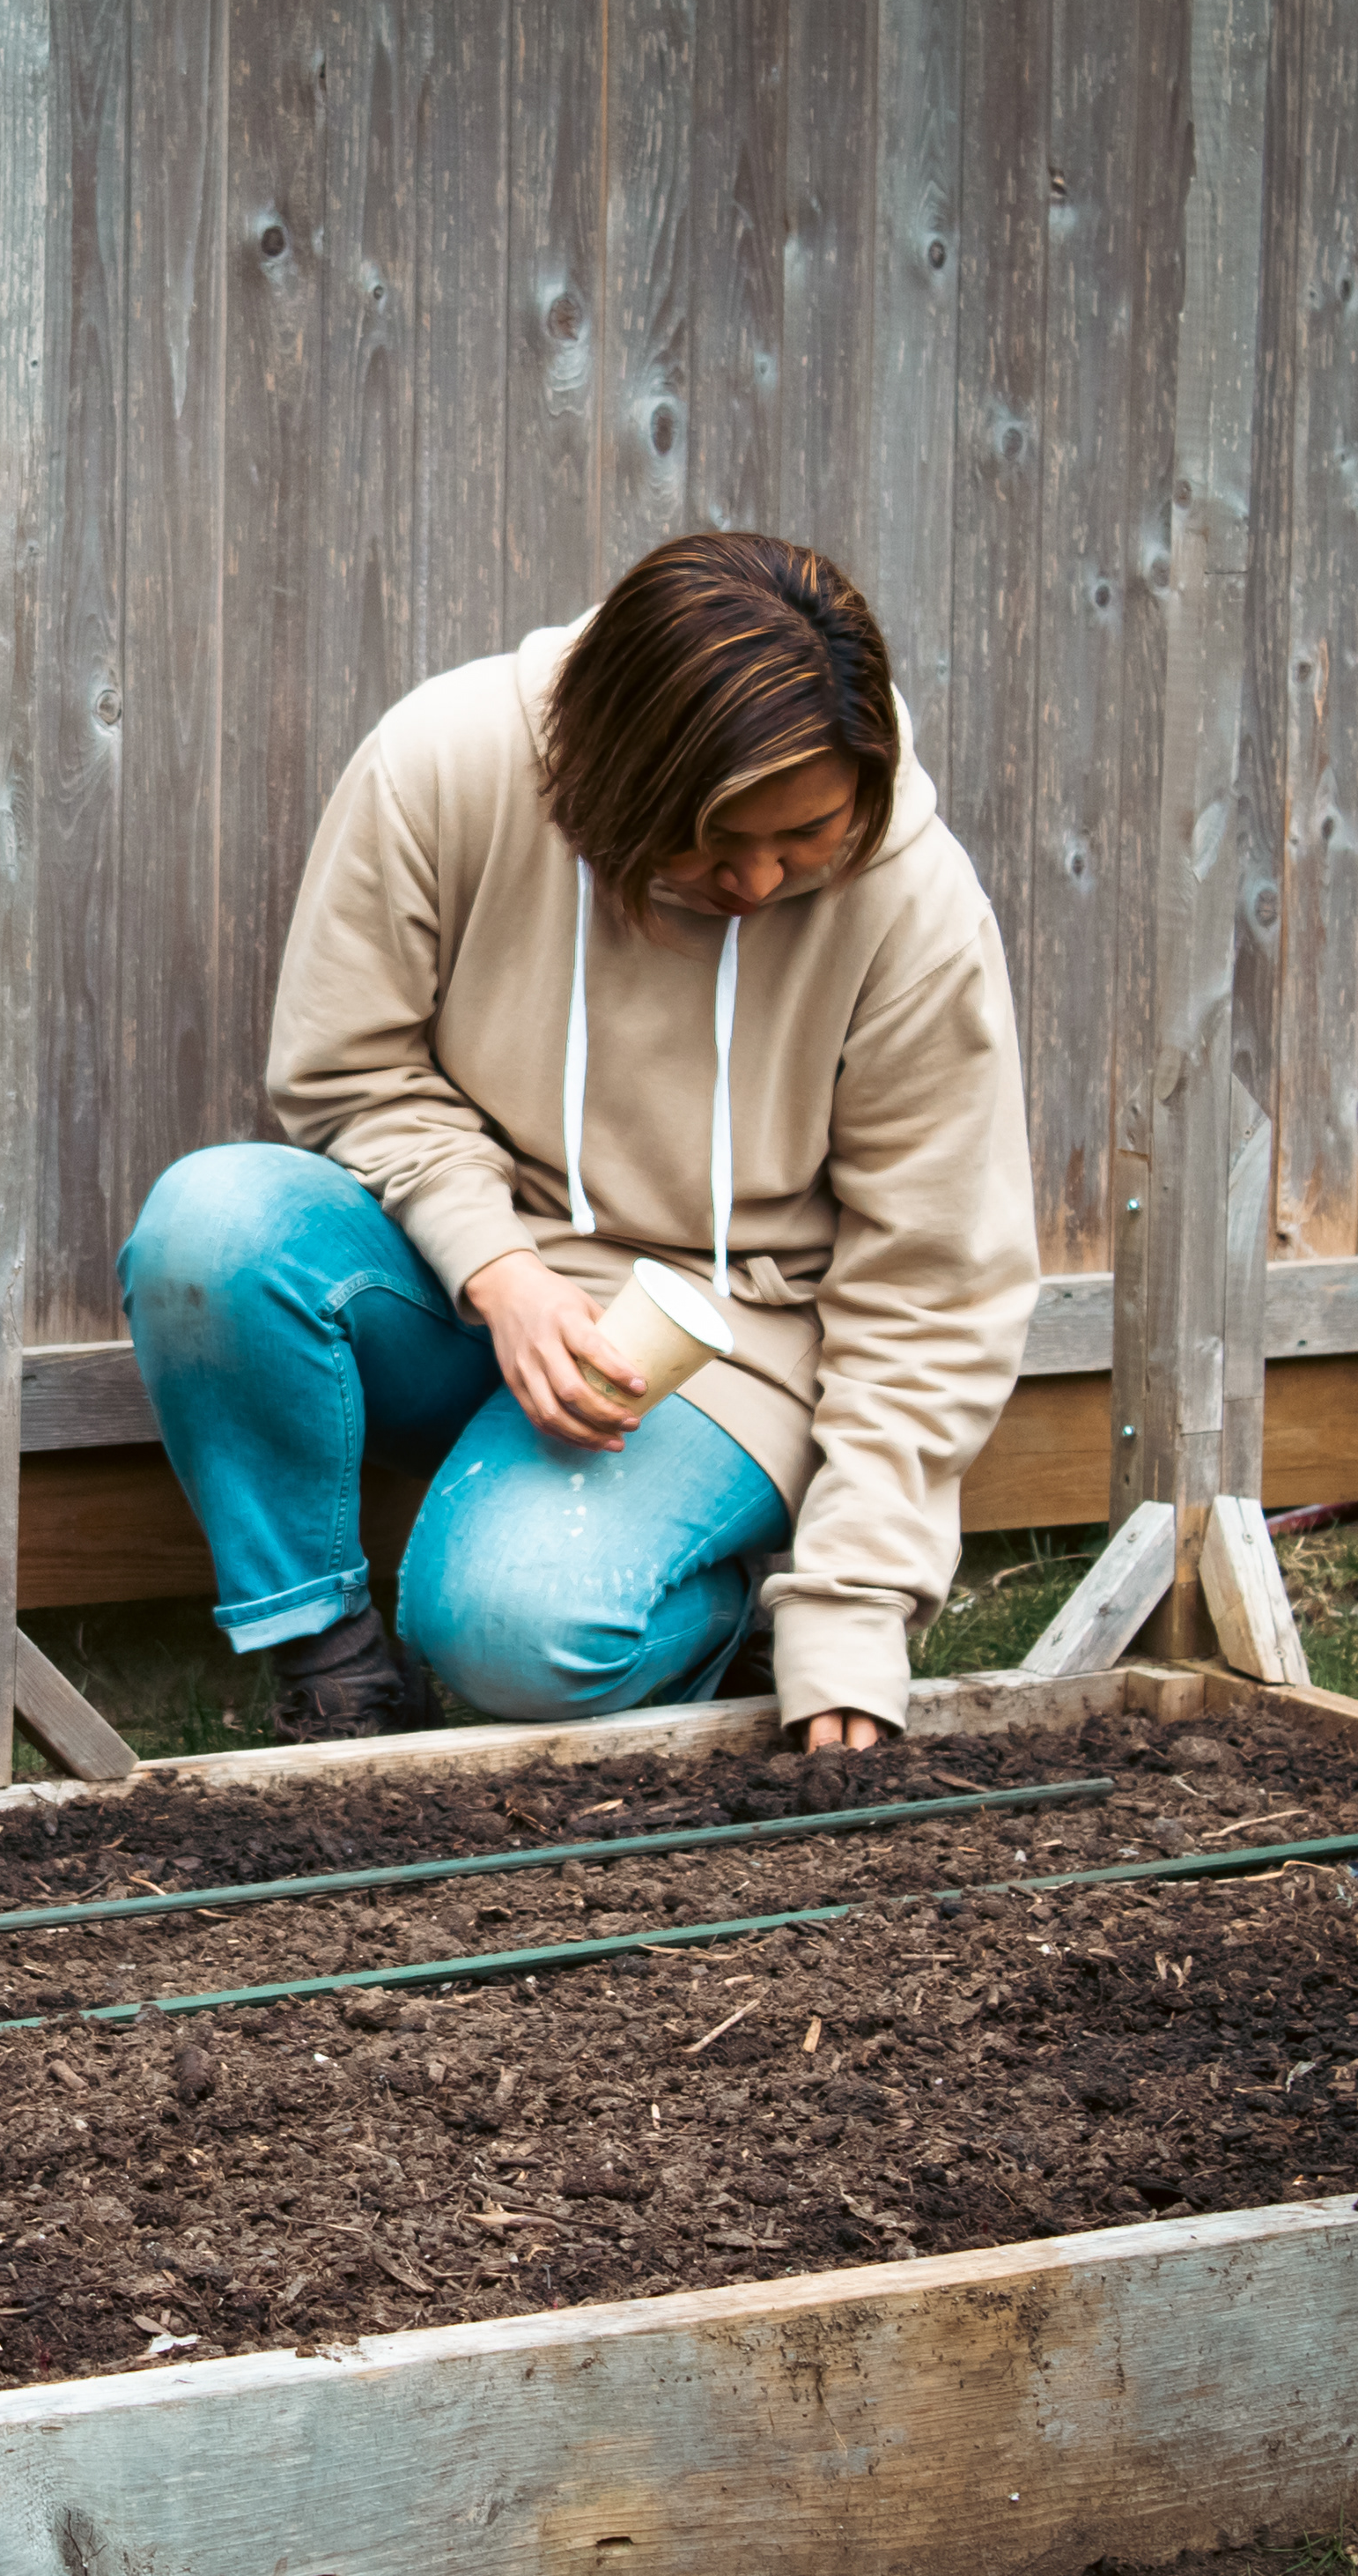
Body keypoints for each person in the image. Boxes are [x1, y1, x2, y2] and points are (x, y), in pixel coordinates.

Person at [122, 533, 1037, 1755]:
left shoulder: (915, 906)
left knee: (514, 1631)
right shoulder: (443, 767)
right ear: (616, 778)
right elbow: (349, 1073)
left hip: (735, 1340)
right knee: (214, 1228)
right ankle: (332, 1667)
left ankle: (731, 1618)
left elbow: (934, 1288)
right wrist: (499, 1271)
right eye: (717, 842)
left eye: (806, 835)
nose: (761, 880)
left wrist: (848, 1614)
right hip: (463, 1274)